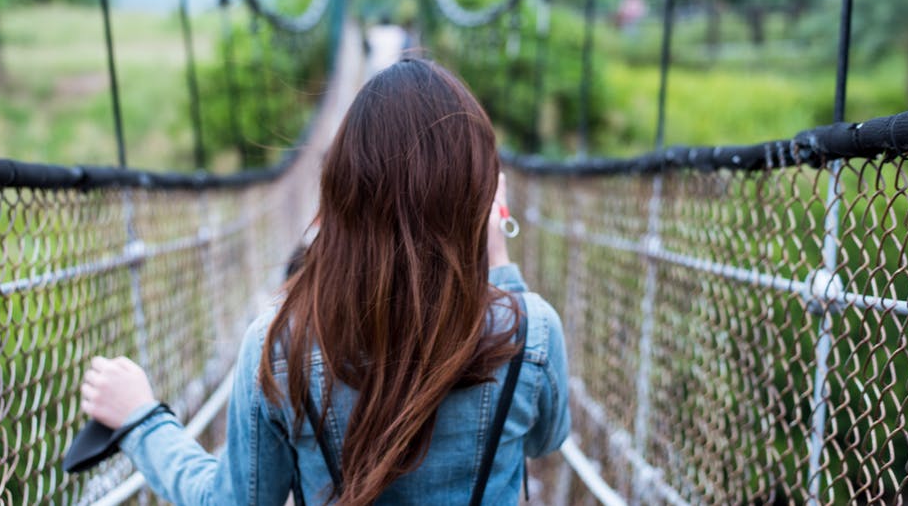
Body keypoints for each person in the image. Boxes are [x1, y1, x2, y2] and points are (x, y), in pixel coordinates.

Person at [79, 58, 570, 505]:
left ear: (342, 189)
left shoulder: (279, 344)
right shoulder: (535, 332)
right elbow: (544, 437)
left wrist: (141, 419)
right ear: (482, 195)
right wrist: (499, 265)